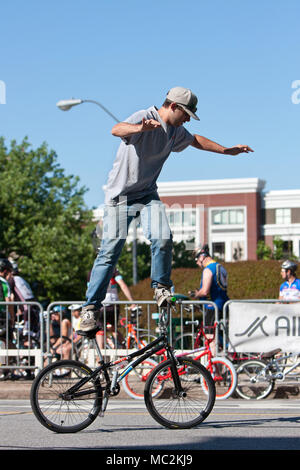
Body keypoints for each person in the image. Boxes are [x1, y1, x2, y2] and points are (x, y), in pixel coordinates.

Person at [80, 86, 253, 332]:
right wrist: (141, 128)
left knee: (162, 238)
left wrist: (226, 150)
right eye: (185, 114)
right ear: (173, 106)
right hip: (121, 196)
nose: (186, 120)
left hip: (147, 193)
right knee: (110, 253)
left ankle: (161, 286)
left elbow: (196, 141)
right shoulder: (145, 116)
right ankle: (90, 309)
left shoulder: (175, 131)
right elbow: (116, 129)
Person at [189, 245, 229, 354]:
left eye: (197, 260)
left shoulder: (208, 269)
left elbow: (205, 291)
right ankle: (223, 365)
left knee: (211, 339)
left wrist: (194, 294)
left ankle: (214, 368)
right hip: (223, 305)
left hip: (212, 307)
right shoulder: (220, 267)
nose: (197, 263)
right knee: (220, 338)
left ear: (202, 257)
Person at [95, 268, 136, 349]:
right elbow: (123, 285)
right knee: (113, 328)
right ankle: (125, 347)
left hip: (101, 305)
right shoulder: (113, 270)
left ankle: (100, 358)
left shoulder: (94, 270)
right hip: (113, 305)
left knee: (100, 330)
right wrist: (132, 302)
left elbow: (91, 290)